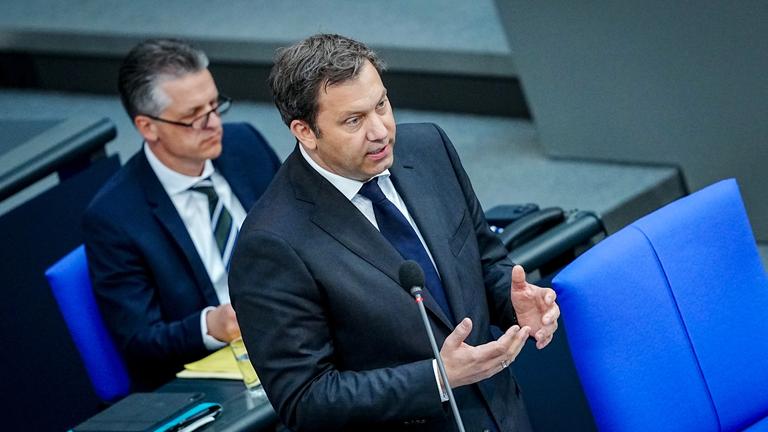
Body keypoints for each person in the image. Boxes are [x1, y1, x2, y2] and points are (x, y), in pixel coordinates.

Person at [229, 34, 560, 432]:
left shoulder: (429, 148)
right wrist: (437, 378)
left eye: (381, 105)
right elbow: (305, 400)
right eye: (354, 120)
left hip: (504, 415)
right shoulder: (272, 243)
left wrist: (513, 300)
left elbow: (483, 260)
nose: (380, 131)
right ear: (305, 131)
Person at [83, 38, 281, 390]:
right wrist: (211, 325)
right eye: (193, 116)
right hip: (223, 373)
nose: (213, 123)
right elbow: (139, 340)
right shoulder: (114, 217)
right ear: (148, 127)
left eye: (215, 104)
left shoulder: (244, 144)